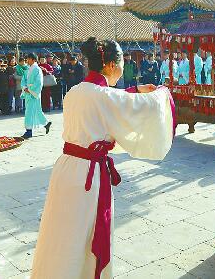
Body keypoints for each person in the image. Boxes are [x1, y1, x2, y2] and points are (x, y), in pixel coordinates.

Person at [31, 37, 175, 279]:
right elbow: (127, 105)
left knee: (60, 234)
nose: (121, 68)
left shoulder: (75, 92)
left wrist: (135, 90)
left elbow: (109, 100)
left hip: (66, 170)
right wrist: (162, 94)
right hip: (88, 177)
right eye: (120, 63)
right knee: (83, 237)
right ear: (110, 65)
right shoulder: (103, 97)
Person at [21, 53, 52, 139]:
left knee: (29, 112)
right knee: (37, 111)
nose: (27, 60)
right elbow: (23, 80)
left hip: (33, 94)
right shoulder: (27, 69)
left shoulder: (37, 69)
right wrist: (24, 87)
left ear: (33, 60)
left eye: (29, 59)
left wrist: (30, 90)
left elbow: (39, 82)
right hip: (28, 92)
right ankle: (46, 124)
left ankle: (29, 131)